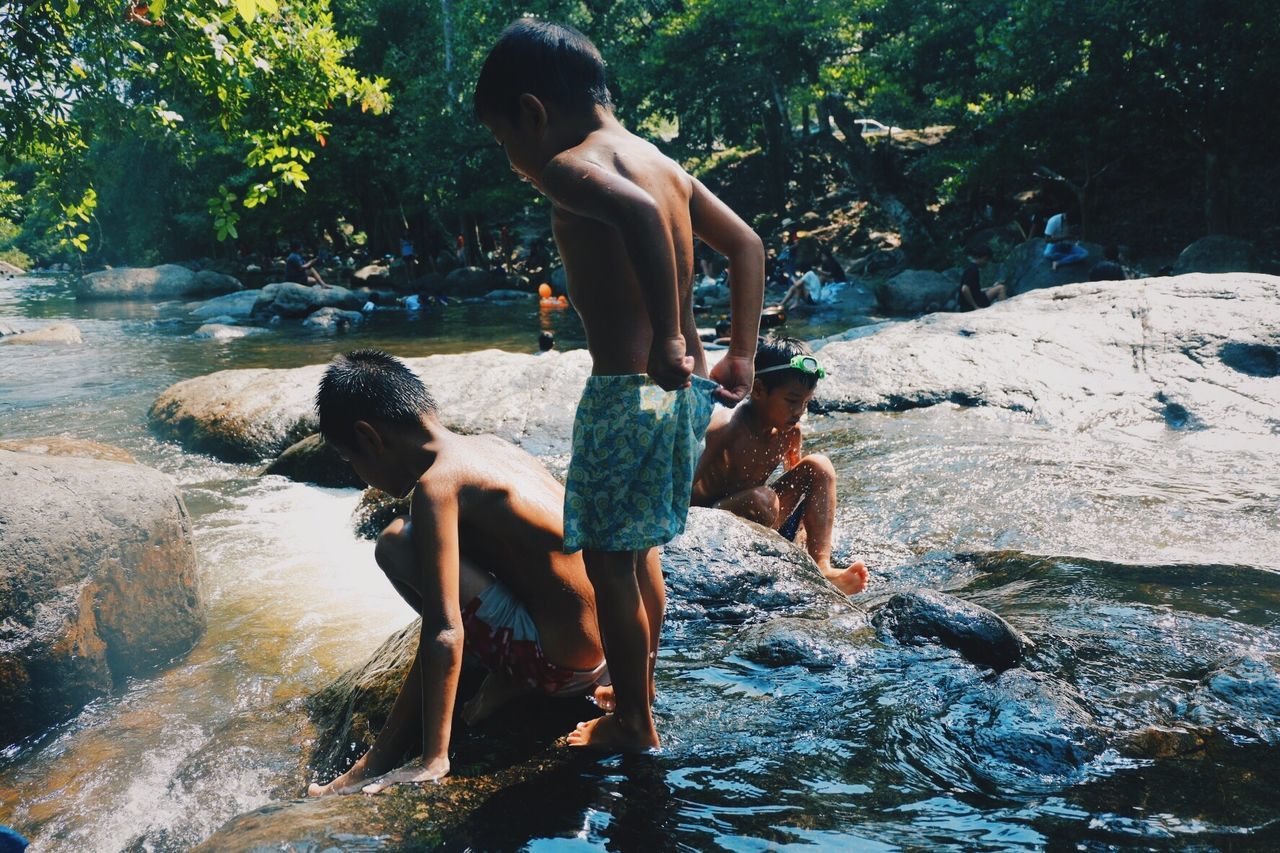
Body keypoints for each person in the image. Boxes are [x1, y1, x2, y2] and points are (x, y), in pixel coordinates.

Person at [475, 18, 764, 753]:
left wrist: (668, 333)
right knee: (638, 554)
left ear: (533, 112)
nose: (514, 163)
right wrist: (738, 352)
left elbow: (633, 216)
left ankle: (632, 722)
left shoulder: (570, 166)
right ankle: (638, 689)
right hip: (679, 393)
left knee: (607, 558)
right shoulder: (664, 165)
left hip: (624, 392)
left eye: (506, 142)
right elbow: (746, 245)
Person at [306, 350, 607, 795]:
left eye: (352, 462)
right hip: (605, 651)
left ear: (369, 437)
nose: (363, 478)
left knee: (396, 544)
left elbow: (445, 629)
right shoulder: (492, 447)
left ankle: (380, 761)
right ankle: (508, 675)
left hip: (558, 666)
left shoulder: (436, 485)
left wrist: (431, 758)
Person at [692, 336, 868, 595]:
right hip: (712, 520)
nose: (799, 411)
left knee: (819, 465)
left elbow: (800, 486)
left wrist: (807, 531)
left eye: (806, 403)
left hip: (762, 516)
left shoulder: (789, 432)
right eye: (792, 401)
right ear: (759, 390)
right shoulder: (725, 428)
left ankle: (823, 568)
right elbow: (684, 487)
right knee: (762, 499)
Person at [957, 244, 1007, 311]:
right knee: (1001, 288)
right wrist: (976, 307)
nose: (986, 262)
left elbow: (973, 290)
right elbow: (964, 289)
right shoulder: (972, 270)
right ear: (978, 257)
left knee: (996, 287)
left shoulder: (971, 268)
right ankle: (1003, 311)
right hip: (971, 305)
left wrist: (990, 288)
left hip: (971, 302)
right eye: (985, 259)